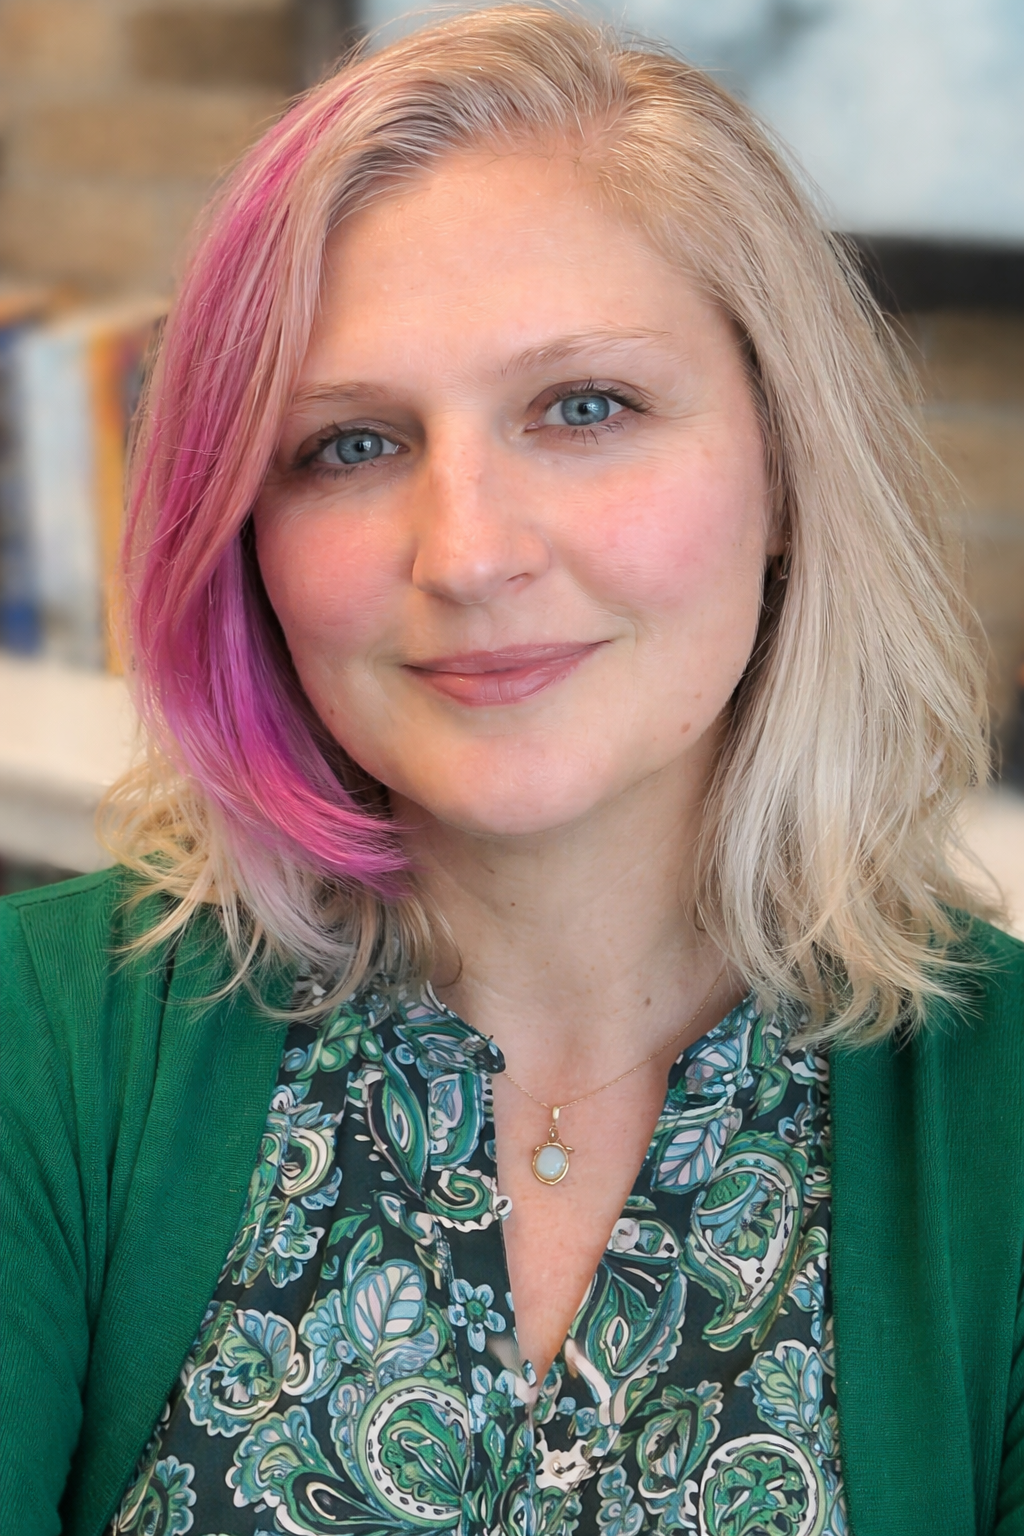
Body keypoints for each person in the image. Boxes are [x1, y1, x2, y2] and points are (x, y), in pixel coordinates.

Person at [2, 8, 1023, 1535]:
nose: (469, 554)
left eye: (585, 408)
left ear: (788, 471)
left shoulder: (994, 1126)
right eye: (348, 444)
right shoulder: (46, 1049)